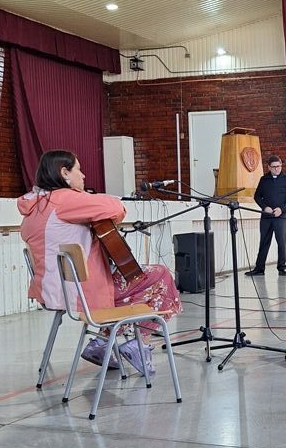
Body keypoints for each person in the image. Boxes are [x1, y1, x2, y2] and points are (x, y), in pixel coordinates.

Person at [18, 150, 182, 371]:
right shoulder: (64, 199)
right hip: (81, 293)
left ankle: (103, 343)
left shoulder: (35, 204)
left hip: (53, 291)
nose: (83, 175)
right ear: (64, 173)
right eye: (78, 169)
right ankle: (138, 343)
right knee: (159, 276)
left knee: (138, 280)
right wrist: (88, 197)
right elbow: (115, 208)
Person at [245, 155, 286, 277]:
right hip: (266, 217)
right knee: (264, 242)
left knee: (281, 242)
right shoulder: (264, 179)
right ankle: (259, 269)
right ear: (269, 167)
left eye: (279, 166)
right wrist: (264, 207)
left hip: (281, 217)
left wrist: (281, 209)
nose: (277, 169)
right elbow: (257, 196)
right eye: (274, 167)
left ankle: (281, 268)